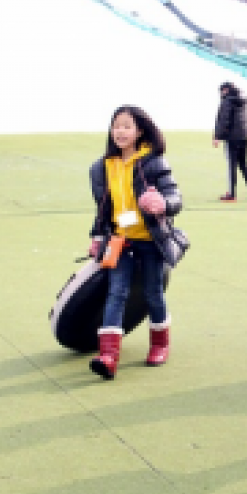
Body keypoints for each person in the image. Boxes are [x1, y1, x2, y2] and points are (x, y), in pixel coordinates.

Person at [88, 105, 188, 380]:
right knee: (116, 293)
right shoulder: (102, 167)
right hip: (120, 241)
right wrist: (97, 238)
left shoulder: (153, 162)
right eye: (116, 126)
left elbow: (175, 198)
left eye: (126, 126)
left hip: (150, 241)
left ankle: (160, 345)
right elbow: (102, 209)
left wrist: (162, 203)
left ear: (140, 131)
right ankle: (108, 356)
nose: (119, 131)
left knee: (152, 293)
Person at [214, 82, 247, 201]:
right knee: (243, 164)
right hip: (244, 136)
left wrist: (217, 137)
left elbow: (224, 120)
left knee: (231, 166)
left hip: (232, 137)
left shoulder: (227, 101)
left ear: (225, 90)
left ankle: (231, 194)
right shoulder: (242, 99)